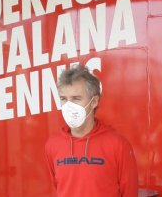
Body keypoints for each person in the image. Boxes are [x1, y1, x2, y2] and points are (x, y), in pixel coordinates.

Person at [45, 64, 138, 196]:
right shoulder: (52, 145)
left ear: (94, 102)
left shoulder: (117, 145)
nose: (68, 106)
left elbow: (129, 192)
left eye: (76, 99)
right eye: (64, 99)